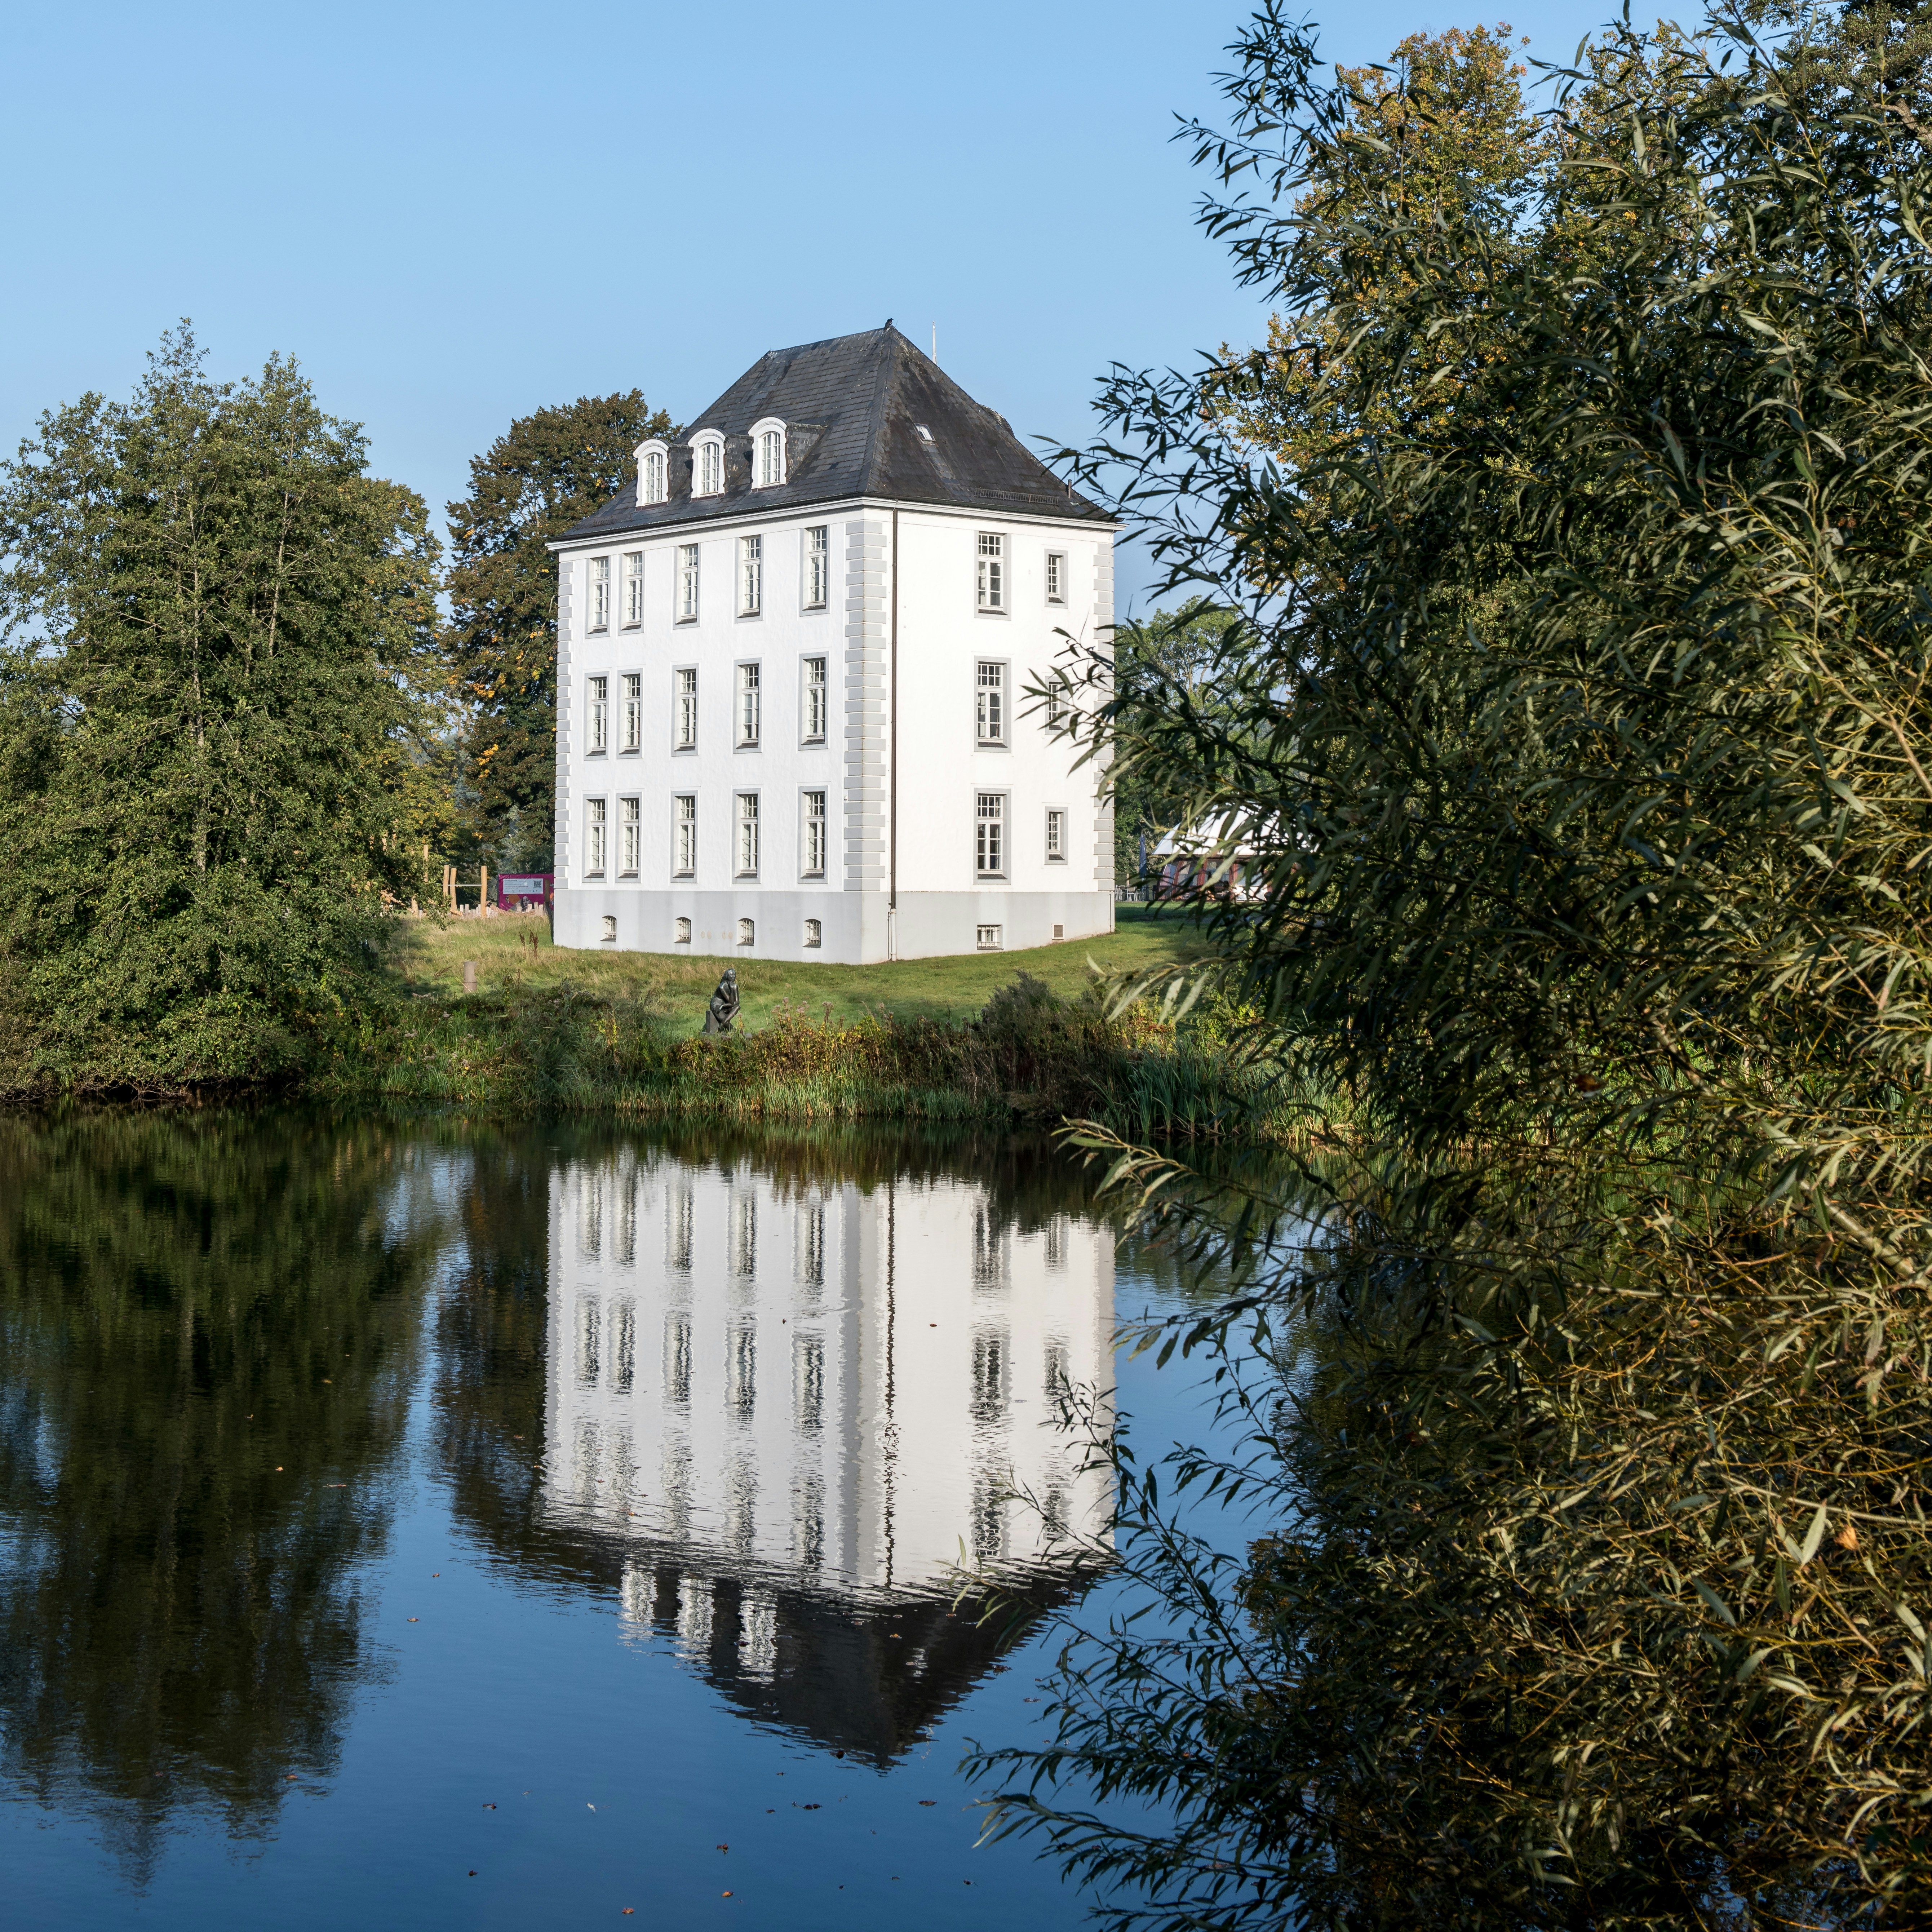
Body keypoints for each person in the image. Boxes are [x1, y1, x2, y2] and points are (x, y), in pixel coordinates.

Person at [703, 967, 740, 1036]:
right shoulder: (722, 987)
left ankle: (723, 1024)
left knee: (738, 1007)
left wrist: (723, 1006)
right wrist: (732, 989)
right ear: (727, 976)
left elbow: (737, 1002)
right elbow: (732, 1002)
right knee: (725, 1020)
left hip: (724, 1005)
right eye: (731, 975)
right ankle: (737, 1033)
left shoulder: (735, 986)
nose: (733, 976)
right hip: (717, 1005)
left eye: (734, 975)